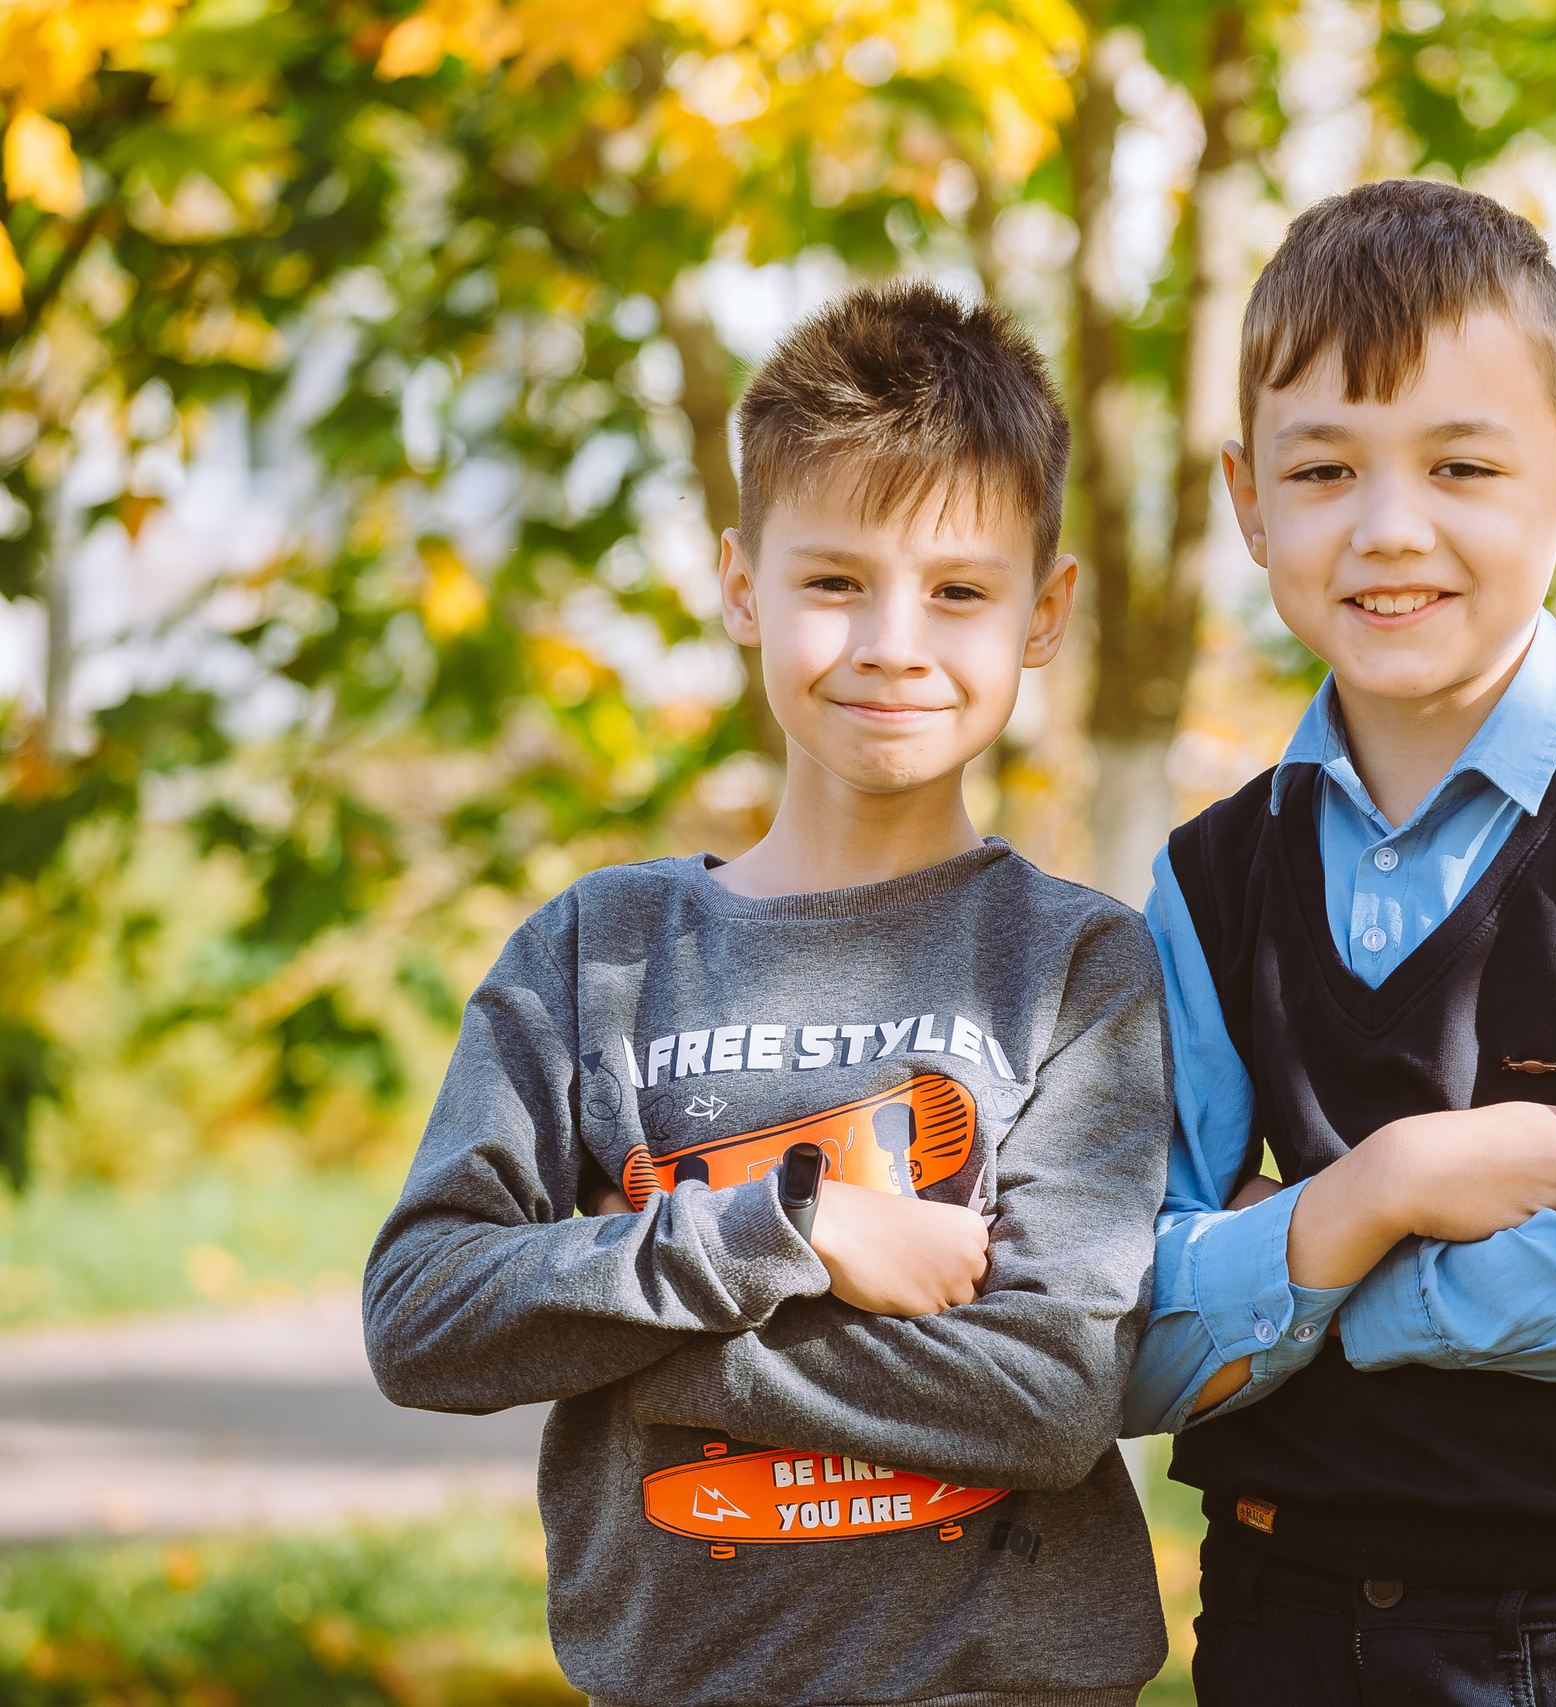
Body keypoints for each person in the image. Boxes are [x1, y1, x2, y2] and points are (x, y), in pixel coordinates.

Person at [365, 283, 1172, 1707]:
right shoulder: (598, 952)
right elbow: (425, 1311)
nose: (893, 642)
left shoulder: (1076, 968)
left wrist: (627, 1347)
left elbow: (1052, 1398)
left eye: (960, 592)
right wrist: (793, 1233)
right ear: (742, 586)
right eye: (835, 581)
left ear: (1044, 613)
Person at [1124, 179, 1556, 1704]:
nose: (1391, 530)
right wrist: (1394, 1186)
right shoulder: (1212, 878)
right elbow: (1122, 1330)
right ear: (1249, 503)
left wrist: (1293, 1273)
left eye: (1462, 463)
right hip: (1273, 1619)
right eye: (1322, 469)